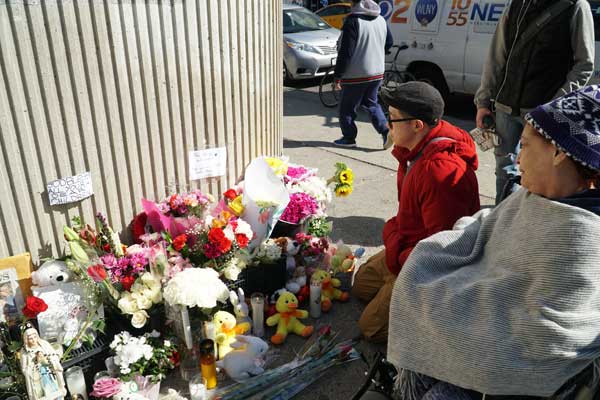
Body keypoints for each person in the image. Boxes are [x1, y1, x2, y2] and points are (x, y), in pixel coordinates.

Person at [388, 85, 600, 399]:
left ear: (558, 152)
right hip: (489, 313)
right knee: (423, 309)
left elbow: (543, 335)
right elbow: (487, 223)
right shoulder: (532, 194)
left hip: (522, 376)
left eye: (524, 145)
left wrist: (465, 316)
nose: (516, 157)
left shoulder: (583, 236)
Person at [352, 82, 480, 342]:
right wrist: (395, 237)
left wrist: (395, 245)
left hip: (420, 263)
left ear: (417, 125)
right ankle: (397, 294)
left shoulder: (440, 172)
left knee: (371, 328)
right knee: (360, 286)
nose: (387, 124)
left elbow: (440, 251)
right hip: (406, 244)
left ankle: (434, 324)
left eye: (393, 118)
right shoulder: (415, 148)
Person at [474, 0, 594, 204]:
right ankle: (503, 218)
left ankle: (531, 219)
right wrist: (483, 102)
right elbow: (496, 56)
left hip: (542, 116)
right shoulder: (515, 4)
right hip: (505, 108)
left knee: (540, 176)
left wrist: (552, 108)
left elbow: (584, 64)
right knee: (504, 171)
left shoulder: (576, 6)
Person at [332, 0, 393, 149]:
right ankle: (386, 131)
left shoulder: (352, 21)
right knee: (371, 103)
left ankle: (349, 138)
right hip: (377, 72)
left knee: (346, 108)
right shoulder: (381, 20)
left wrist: (338, 76)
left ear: (356, 5)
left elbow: (346, 52)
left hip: (356, 74)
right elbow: (389, 42)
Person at [20, 326, 66, 400]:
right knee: (43, 392)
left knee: (54, 388)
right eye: (30, 339)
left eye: (35, 337)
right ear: (26, 340)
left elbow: (54, 356)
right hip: (36, 377)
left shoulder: (44, 344)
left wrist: (47, 359)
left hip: (49, 373)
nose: (33, 340)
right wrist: (34, 364)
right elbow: (24, 369)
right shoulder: (24, 352)